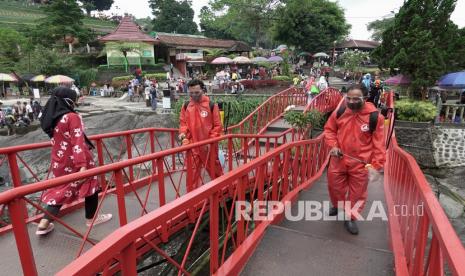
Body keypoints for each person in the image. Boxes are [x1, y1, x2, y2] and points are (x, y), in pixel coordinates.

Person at [36, 87, 112, 235]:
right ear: (69, 100)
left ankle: (44, 223)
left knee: (61, 189)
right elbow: (77, 142)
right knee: (91, 185)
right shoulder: (71, 117)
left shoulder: (53, 119)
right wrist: (82, 165)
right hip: (76, 159)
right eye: (75, 100)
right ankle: (91, 220)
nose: (75, 103)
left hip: (59, 160)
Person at [324, 84, 386, 235]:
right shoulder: (340, 111)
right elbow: (329, 130)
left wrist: (376, 166)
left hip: (361, 163)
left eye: (355, 99)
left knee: (357, 193)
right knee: (334, 187)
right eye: (348, 98)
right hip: (339, 159)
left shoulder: (375, 117)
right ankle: (338, 206)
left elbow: (379, 144)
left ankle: (351, 217)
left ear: (365, 98)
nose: (351, 102)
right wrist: (333, 145)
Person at [179, 79, 223, 188]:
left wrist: (211, 140)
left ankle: (222, 190)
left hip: (208, 145)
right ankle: (192, 199)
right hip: (192, 144)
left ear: (203, 90)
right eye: (191, 93)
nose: (194, 95)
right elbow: (183, 123)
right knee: (192, 173)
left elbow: (217, 126)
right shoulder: (186, 106)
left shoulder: (211, 105)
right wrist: (183, 133)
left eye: (197, 92)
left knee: (214, 169)